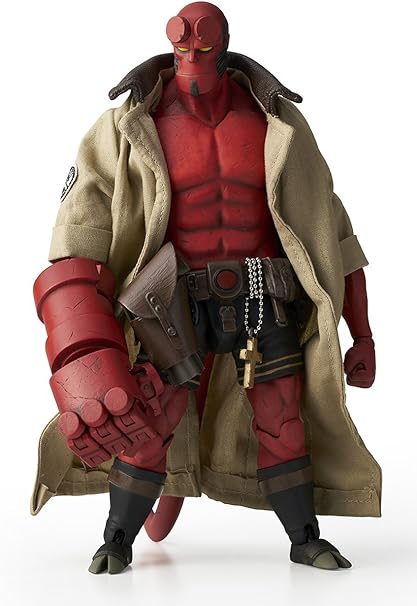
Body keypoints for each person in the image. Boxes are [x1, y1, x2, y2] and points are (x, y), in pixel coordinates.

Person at [32, 1, 380, 575]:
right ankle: (117, 540)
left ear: (223, 44)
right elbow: (76, 240)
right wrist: (82, 351)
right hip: (171, 303)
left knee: (282, 422)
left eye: (203, 41)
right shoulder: (126, 126)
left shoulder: (279, 125)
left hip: (262, 295)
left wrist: (361, 334)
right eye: (183, 42)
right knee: (148, 423)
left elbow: (333, 235)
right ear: (171, 45)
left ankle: (305, 539)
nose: (193, 50)